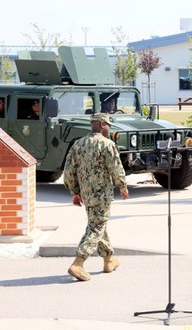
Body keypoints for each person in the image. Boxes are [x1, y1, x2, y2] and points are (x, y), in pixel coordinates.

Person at [63, 113, 129, 282]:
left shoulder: (78, 144)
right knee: (97, 227)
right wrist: (122, 185)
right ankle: (78, 263)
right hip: (102, 195)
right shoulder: (107, 144)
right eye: (108, 125)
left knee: (99, 224)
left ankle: (108, 260)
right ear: (101, 124)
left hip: (86, 195)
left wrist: (75, 192)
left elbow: (69, 172)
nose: (109, 128)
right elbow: (116, 167)